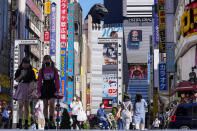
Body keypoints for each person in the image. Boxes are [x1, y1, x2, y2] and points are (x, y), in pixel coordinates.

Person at [37, 55, 60, 129]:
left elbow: (57, 80)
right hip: (45, 87)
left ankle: (51, 119)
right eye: (45, 59)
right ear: (43, 61)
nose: (47, 61)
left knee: (52, 104)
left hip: (52, 87)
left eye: (48, 59)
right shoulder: (41, 70)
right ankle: (46, 121)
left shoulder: (54, 69)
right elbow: (39, 81)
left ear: (50, 60)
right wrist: (38, 90)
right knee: (45, 105)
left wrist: (57, 90)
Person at [14, 57, 35, 129]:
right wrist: (21, 75)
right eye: (24, 63)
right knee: (20, 105)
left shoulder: (31, 71)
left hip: (28, 88)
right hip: (21, 87)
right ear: (22, 63)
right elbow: (16, 80)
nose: (25, 64)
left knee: (26, 106)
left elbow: (33, 80)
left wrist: (31, 88)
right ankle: (19, 121)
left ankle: (26, 122)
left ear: (29, 64)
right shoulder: (19, 70)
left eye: (27, 63)